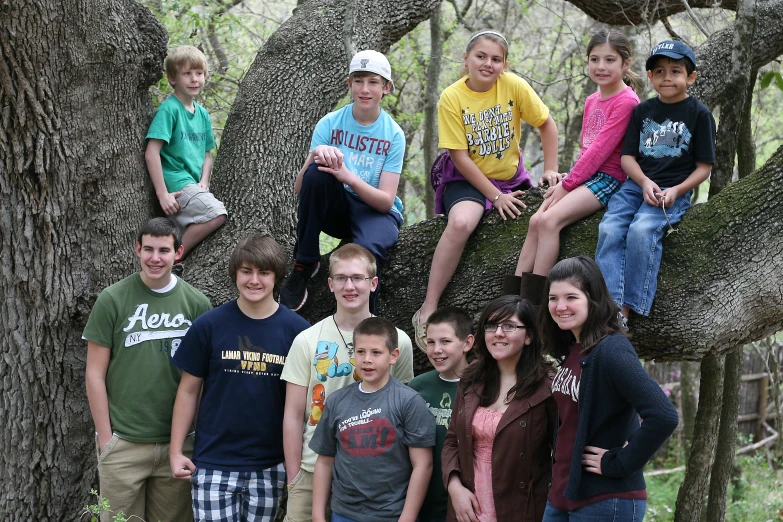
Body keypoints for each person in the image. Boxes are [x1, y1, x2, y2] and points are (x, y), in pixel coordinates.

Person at [413, 30, 559, 349]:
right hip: (466, 177)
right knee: (463, 222)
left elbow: (547, 124)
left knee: (539, 221)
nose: (488, 64)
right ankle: (429, 305)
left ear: (505, 65)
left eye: (496, 59)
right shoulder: (452, 97)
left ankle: (525, 307)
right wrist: (495, 196)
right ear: (466, 60)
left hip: (510, 175)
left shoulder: (513, 86)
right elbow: (460, 156)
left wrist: (549, 168)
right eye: (481, 56)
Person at [169, 234, 310, 521]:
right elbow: (188, 391)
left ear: (277, 277)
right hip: (213, 463)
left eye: (264, 272)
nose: (254, 280)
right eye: (246, 271)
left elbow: (302, 407)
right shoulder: (209, 325)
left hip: (270, 465)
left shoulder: (297, 331)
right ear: (235, 274)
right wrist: (175, 450)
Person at [83, 217, 212, 522]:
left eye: (164, 250)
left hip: (177, 445)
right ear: (137, 249)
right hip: (124, 442)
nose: (156, 258)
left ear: (178, 252)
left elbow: (201, 379)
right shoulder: (112, 299)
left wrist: (195, 436)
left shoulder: (197, 304)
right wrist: (106, 438)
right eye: (149, 249)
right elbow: (94, 373)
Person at [279, 243, 415, 522]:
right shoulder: (307, 340)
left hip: (371, 479)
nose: (349, 286)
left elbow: (403, 410)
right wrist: (294, 475)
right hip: (311, 468)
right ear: (330, 284)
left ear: (373, 283)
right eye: (341, 278)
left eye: (358, 278)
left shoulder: (397, 341)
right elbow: (293, 414)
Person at [540, 256, 679, 521]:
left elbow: (663, 416)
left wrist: (620, 462)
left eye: (571, 297)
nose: (560, 306)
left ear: (592, 299)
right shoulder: (576, 348)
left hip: (605, 500)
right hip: (563, 494)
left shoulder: (611, 349)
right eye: (553, 298)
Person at [510, 29, 640, 302]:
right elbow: (586, 149)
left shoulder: (627, 101)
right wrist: (570, 177)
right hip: (587, 175)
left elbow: (601, 152)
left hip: (610, 178)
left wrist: (567, 185)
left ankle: (538, 302)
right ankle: (512, 297)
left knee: (548, 221)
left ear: (625, 64)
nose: (600, 67)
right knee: (535, 220)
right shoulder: (593, 99)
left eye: (609, 60)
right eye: (594, 59)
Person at [595, 40, 716, 331]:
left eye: (675, 71)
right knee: (609, 228)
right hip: (636, 185)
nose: (667, 77)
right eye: (659, 71)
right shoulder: (643, 111)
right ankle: (609, 305)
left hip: (672, 191)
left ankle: (628, 309)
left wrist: (676, 191)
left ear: (691, 77)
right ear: (650, 77)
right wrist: (643, 181)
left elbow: (704, 168)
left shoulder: (700, 115)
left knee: (641, 230)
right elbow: (627, 158)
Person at [279, 50, 406, 314]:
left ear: (386, 88)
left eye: (373, 82)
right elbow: (301, 189)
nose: (365, 89)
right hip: (336, 209)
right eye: (358, 81)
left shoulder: (393, 134)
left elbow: (384, 202)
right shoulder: (330, 123)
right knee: (316, 170)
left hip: (374, 212)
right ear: (348, 85)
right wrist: (314, 156)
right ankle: (305, 263)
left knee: (365, 256)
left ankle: (365, 322)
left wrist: (347, 174)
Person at [309, 317, 436, 522]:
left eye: (376, 353)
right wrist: (317, 515)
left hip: (391, 514)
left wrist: (408, 517)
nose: (367, 359)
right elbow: (324, 461)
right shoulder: (336, 401)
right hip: (344, 513)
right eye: (361, 352)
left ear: (393, 356)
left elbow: (423, 465)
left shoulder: (408, 401)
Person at [442, 295, 556, 522]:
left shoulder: (548, 387)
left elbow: (563, 452)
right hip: (468, 506)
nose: (498, 333)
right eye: (492, 326)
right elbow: (452, 440)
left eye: (509, 326)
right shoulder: (471, 378)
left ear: (529, 336)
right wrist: (455, 488)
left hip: (520, 507)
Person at [145, 45, 227, 262]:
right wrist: (162, 194)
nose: (194, 79)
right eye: (187, 73)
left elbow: (207, 154)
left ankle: (172, 250)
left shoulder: (202, 114)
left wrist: (204, 180)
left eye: (199, 73)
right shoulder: (169, 109)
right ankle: (175, 257)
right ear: (172, 79)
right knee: (217, 213)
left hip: (193, 183)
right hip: (176, 182)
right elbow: (152, 152)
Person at [409, 307, 475, 522]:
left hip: (468, 500)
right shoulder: (418, 386)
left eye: (445, 341)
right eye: (430, 342)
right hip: (424, 498)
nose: (437, 350)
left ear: (467, 343)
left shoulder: (483, 385)